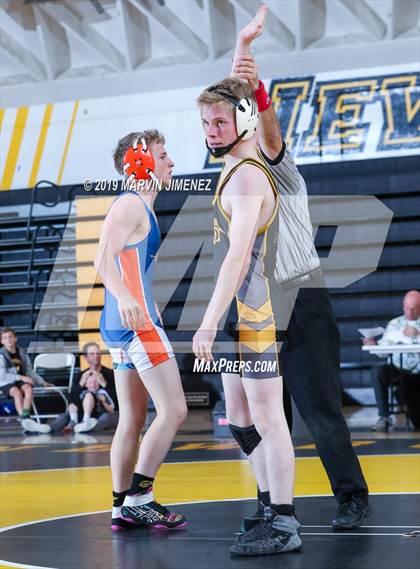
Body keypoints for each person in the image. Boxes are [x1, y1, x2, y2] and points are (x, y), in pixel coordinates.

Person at [221, 5, 370, 534]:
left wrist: (259, 95)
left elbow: (263, 125)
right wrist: (239, 54)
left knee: (318, 409)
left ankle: (352, 497)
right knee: (259, 412)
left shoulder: (280, 170)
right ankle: (271, 502)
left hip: (302, 296)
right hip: (260, 301)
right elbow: (224, 104)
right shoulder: (238, 172)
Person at [193, 72, 300, 561]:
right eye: (205, 122)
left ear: (242, 119)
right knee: (238, 416)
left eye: (219, 120)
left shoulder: (250, 174)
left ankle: (284, 520)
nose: (210, 130)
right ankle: (266, 504)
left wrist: (210, 318)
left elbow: (238, 258)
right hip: (241, 312)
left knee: (268, 419)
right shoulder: (235, 166)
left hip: (256, 312)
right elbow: (238, 86)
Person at [95, 129, 188, 531]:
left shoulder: (139, 207)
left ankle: (119, 507)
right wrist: (132, 301)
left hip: (123, 323)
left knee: (131, 417)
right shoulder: (131, 204)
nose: (171, 163)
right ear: (142, 162)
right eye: (164, 156)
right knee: (175, 410)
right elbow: (103, 260)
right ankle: (141, 497)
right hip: (135, 324)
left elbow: (132, 267)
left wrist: (140, 301)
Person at [363, 290, 420, 431]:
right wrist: (373, 345)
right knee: (378, 372)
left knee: (417, 420)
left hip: (418, 370)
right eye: (407, 308)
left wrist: (418, 335)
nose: (410, 312)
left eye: (413, 308)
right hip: (398, 368)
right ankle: (384, 417)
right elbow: (383, 352)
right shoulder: (395, 324)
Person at [0, 327, 51, 434]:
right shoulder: (1, 355)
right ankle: (24, 421)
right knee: (17, 393)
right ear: (2, 341)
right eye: (5, 338)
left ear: (15, 339)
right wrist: (21, 377)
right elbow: (2, 375)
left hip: (20, 379)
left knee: (28, 388)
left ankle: (25, 415)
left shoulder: (22, 352)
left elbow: (29, 371)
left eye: (10, 337)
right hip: (6, 381)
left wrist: (41, 381)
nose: (8, 340)